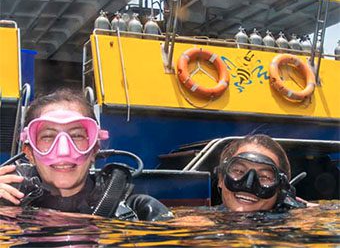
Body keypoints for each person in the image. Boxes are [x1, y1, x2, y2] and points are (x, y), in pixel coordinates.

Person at [0, 88, 173, 221]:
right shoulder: (8, 204)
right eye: (47, 137)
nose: (63, 151)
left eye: (76, 135)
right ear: (29, 152)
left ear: (94, 149)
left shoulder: (140, 210)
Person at [216, 134, 306, 212]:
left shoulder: (299, 223)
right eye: (238, 171)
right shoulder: (203, 220)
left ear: (281, 190)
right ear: (221, 178)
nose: (248, 185)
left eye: (265, 177)